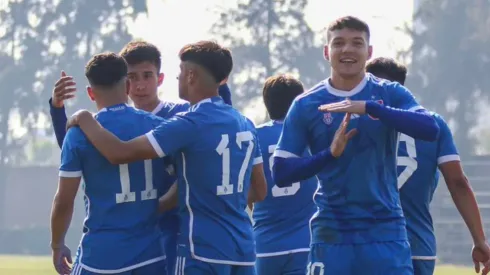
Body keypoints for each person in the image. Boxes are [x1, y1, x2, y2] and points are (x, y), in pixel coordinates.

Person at [65, 40, 267, 275]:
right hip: (243, 249)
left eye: (180, 72)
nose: (177, 79)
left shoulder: (188, 124)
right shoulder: (246, 123)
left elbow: (118, 153)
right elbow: (260, 191)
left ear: (191, 76)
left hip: (201, 249)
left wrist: (84, 118)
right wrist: (220, 200)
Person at [272, 16, 441, 275]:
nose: (347, 49)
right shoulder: (307, 104)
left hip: (385, 232)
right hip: (332, 235)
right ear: (327, 52)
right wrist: (330, 154)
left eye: (356, 43)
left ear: (369, 51)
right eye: (338, 43)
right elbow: (281, 173)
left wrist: (369, 108)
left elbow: (430, 128)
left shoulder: (389, 93)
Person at [366, 57, 490, 275]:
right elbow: (458, 182)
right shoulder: (434, 124)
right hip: (417, 245)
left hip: (365, 244)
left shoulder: (354, 120)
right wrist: (480, 240)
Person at [50, 52, 167, 275]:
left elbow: (64, 200)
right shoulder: (160, 126)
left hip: (100, 258)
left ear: (91, 93)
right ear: (128, 85)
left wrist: (57, 245)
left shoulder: (79, 134)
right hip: (151, 255)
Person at [252, 75, 317, 275]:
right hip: (306, 243)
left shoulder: (254, 137)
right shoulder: (312, 136)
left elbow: (249, 190)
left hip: (264, 245)